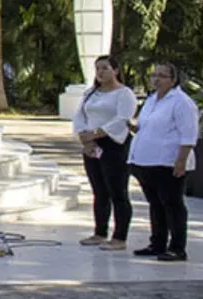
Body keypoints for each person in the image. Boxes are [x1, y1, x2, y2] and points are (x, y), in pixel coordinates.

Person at [128, 63, 197, 262]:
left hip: (168, 162)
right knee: (155, 204)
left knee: (172, 204)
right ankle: (157, 243)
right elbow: (144, 127)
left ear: (173, 80)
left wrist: (181, 161)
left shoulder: (181, 102)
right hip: (146, 161)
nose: (156, 79)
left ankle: (177, 247)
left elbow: (188, 134)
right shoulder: (151, 101)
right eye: (153, 75)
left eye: (162, 76)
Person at [71, 54, 136, 249]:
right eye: (98, 68)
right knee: (99, 191)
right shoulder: (91, 92)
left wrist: (97, 133)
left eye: (105, 68)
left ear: (115, 71)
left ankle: (119, 237)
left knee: (117, 191)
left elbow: (122, 118)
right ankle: (100, 232)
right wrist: (85, 137)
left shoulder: (124, 94)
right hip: (92, 146)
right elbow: (80, 115)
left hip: (114, 144)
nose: (100, 72)